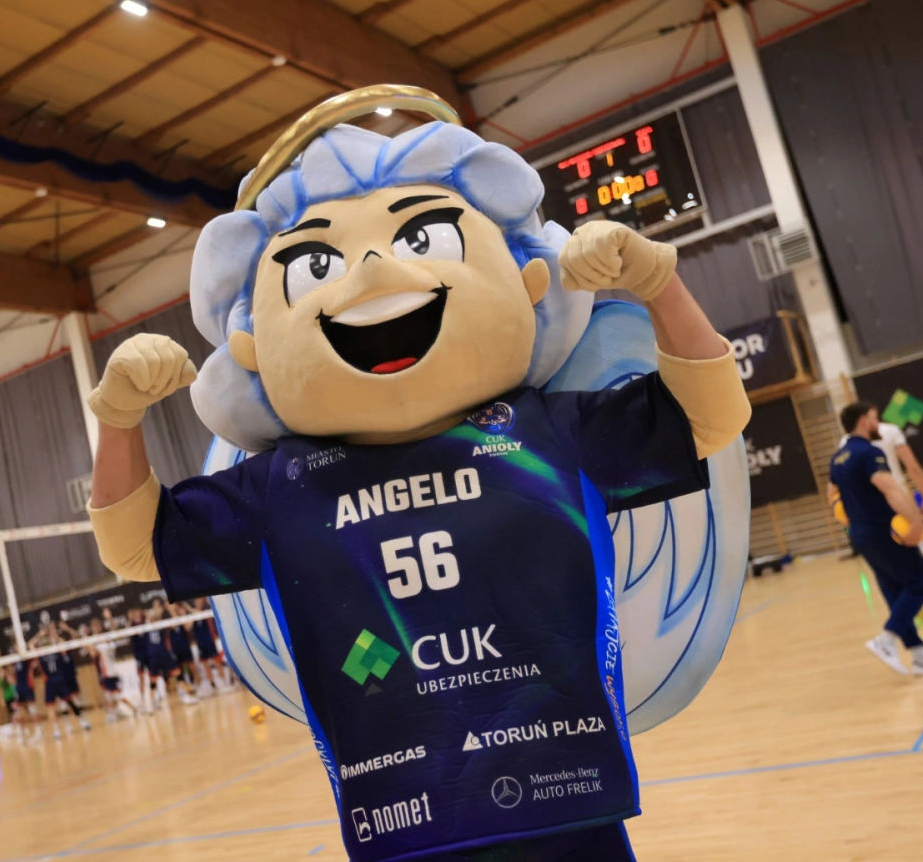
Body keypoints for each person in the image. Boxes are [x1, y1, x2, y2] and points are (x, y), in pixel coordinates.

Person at [84, 100, 750, 860]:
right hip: (402, 825)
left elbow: (710, 416)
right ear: (252, 347)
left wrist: (658, 282)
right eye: (315, 265)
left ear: (529, 280)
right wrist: (117, 416)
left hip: (568, 804)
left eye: (422, 236)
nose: (373, 270)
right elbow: (134, 544)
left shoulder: (552, 432)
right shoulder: (278, 488)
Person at [830, 403, 923, 676]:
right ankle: (886, 640)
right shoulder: (870, 452)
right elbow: (891, 489)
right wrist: (915, 522)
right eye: (874, 419)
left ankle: (919, 656)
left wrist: (857, 518)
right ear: (863, 420)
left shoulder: (837, 458)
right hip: (884, 530)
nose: (877, 424)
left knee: (894, 590)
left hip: (860, 533)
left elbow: (832, 498)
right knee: (920, 582)